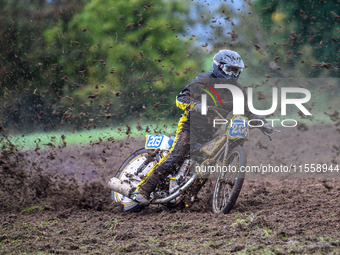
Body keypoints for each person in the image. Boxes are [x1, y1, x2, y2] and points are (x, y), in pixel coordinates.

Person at [130, 49, 273, 207]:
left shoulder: (237, 90)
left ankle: (186, 197)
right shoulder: (202, 81)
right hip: (190, 127)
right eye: (229, 70)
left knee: (207, 164)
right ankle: (143, 189)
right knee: (176, 156)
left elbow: (247, 112)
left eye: (236, 71)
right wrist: (195, 105)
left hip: (211, 132)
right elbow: (181, 98)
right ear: (218, 67)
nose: (232, 75)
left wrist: (263, 123)